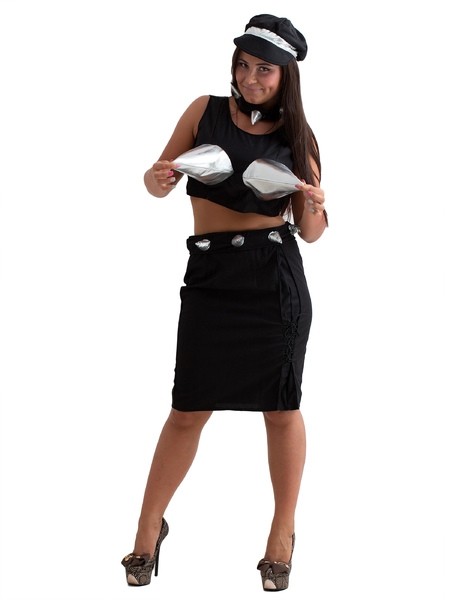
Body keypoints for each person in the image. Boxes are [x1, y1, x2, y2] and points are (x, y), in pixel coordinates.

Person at [121, 13, 327, 592]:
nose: (250, 77)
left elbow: (313, 232)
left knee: (281, 409)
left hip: (274, 280)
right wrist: (159, 179)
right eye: (244, 64)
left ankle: (282, 533)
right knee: (187, 408)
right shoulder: (203, 111)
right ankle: (147, 527)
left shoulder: (299, 137)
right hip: (211, 275)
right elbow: (155, 181)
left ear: (285, 75)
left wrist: (314, 202)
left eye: (264, 69)